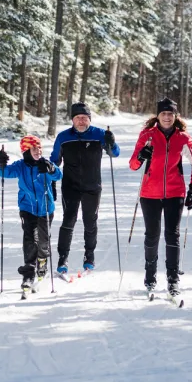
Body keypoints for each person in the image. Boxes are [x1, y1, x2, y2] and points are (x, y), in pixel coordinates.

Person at [128, 97, 192, 299]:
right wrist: (142, 155)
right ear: (158, 116)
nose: (167, 117)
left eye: (170, 114)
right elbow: (133, 164)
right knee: (152, 235)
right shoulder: (148, 135)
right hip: (149, 193)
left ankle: (173, 280)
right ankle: (150, 278)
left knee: (172, 235)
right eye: (163, 114)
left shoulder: (183, 138)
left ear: (175, 116)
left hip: (175, 193)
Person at [49, 102, 120, 276]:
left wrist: (112, 143)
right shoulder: (63, 137)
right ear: (72, 120)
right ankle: (63, 258)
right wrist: (48, 173)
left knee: (90, 221)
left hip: (92, 187)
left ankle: (89, 256)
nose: (81, 121)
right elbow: (54, 161)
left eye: (84, 118)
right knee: (69, 220)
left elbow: (115, 153)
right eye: (77, 118)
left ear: (89, 119)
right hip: (70, 186)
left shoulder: (100, 134)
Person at [0, 135, 62, 292]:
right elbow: (5, 173)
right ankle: (29, 272)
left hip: (46, 208)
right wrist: (1, 162)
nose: (38, 151)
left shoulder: (44, 164)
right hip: (27, 208)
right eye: (34, 148)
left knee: (43, 241)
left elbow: (58, 175)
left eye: (39, 148)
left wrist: (51, 169)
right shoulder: (20, 166)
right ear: (26, 150)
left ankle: (42, 261)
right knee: (30, 239)